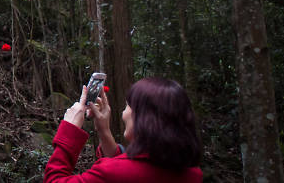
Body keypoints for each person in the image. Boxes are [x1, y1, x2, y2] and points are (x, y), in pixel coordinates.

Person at [43, 77, 202, 182]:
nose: (123, 113)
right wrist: (104, 131)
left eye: (127, 106)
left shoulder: (111, 173)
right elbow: (135, 167)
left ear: (144, 118)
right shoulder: (193, 174)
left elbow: (53, 180)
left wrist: (69, 129)